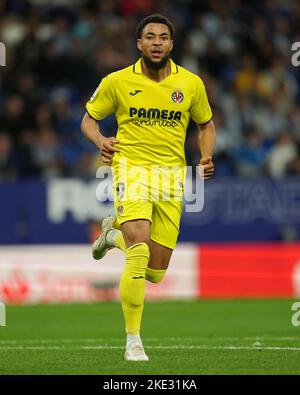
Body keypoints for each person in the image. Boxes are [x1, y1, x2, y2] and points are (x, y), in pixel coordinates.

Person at [81, 14, 216, 361]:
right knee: (138, 245)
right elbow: (89, 119)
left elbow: (206, 124)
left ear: (172, 44)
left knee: (155, 272)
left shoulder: (191, 84)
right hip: (132, 170)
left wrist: (206, 156)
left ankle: (111, 236)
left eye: (163, 37)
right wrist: (100, 140)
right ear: (139, 44)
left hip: (171, 178)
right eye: (150, 37)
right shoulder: (117, 81)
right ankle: (133, 340)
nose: (157, 42)